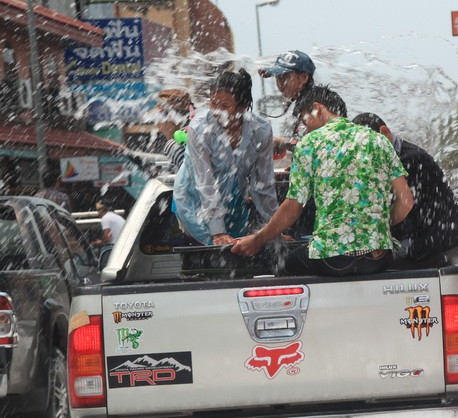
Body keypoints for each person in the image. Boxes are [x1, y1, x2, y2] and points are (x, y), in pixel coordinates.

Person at [231, 85, 414, 277]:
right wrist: (377, 228)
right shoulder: (378, 140)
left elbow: (292, 208)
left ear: (318, 108)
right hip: (378, 259)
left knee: (282, 262)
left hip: (333, 260)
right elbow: (406, 202)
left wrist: (258, 239)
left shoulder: (310, 143)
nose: (305, 128)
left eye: (304, 120)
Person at [173, 69, 278, 246]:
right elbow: (205, 183)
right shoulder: (199, 129)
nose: (216, 111)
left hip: (234, 206)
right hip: (195, 205)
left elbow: (263, 185)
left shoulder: (261, 130)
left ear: (243, 108)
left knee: (238, 258)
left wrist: (275, 229)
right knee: (208, 260)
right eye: (213, 103)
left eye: (225, 106)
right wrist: (218, 231)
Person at [352, 112, 458, 265]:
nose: (369, 155)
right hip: (425, 241)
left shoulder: (411, 159)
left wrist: (379, 229)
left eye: (371, 147)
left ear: (385, 132)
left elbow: (405, 204)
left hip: (441, 244)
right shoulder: (390, 159)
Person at [155, 89, 193, 173]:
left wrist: (171, 136)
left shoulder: (175, 145)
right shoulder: (161, 140)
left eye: (160, 114)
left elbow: (189, 174)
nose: (157, 122)